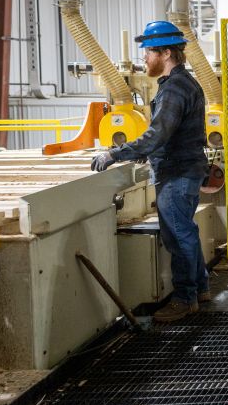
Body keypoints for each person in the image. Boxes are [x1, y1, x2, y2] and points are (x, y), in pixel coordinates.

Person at [90, 21, 210, 323]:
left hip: (177, 173)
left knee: (178, 237)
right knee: (186, 232)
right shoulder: (182, 84)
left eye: (148, 52)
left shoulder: (175, 89)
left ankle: (185, 299)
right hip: (183, 169)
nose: (144, 59)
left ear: (166, 53)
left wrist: (115, 153)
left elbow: (157, 135)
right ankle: (200, 289)